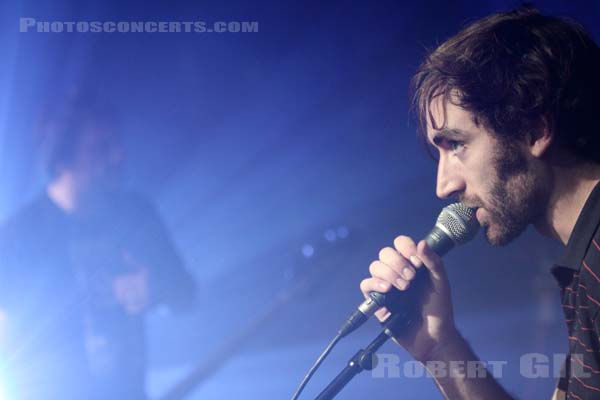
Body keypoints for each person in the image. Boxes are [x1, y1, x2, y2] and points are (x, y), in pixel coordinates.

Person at [359, 6, 600, 400]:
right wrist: (440, 348)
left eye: (456, 145)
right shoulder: (586, 269)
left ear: (534, 129)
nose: (444, 185)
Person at [0, 92, 196, 399]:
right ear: (62, 158)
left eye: (116, 145)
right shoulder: (19, 236)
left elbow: (186, 294)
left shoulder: (137, 214)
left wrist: (156, 288)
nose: (118, 157)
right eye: (101, 148)